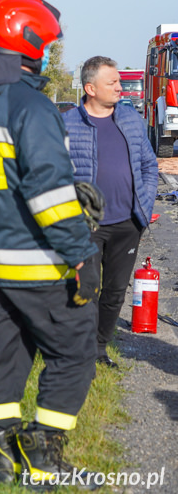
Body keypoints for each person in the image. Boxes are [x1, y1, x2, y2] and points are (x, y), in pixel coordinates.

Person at [0, 0, 100, 488]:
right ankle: (43, 457)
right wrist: (82, 253)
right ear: (31, 46)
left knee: (4, 354)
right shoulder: (33, 107)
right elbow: (48, 195)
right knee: (75, 352)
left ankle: (1, 452)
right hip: (38, 263)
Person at [63, 56, 159, 368]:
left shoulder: (130, 119)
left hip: (127, 222)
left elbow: (148, 164)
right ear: (90, 88)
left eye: (119, 81)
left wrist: (144, 203)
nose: (120, 88)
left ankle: (98, 349)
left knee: (115, 292)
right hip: (86, 225)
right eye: (112, 83)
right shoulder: (67, 125)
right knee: (85, 291)